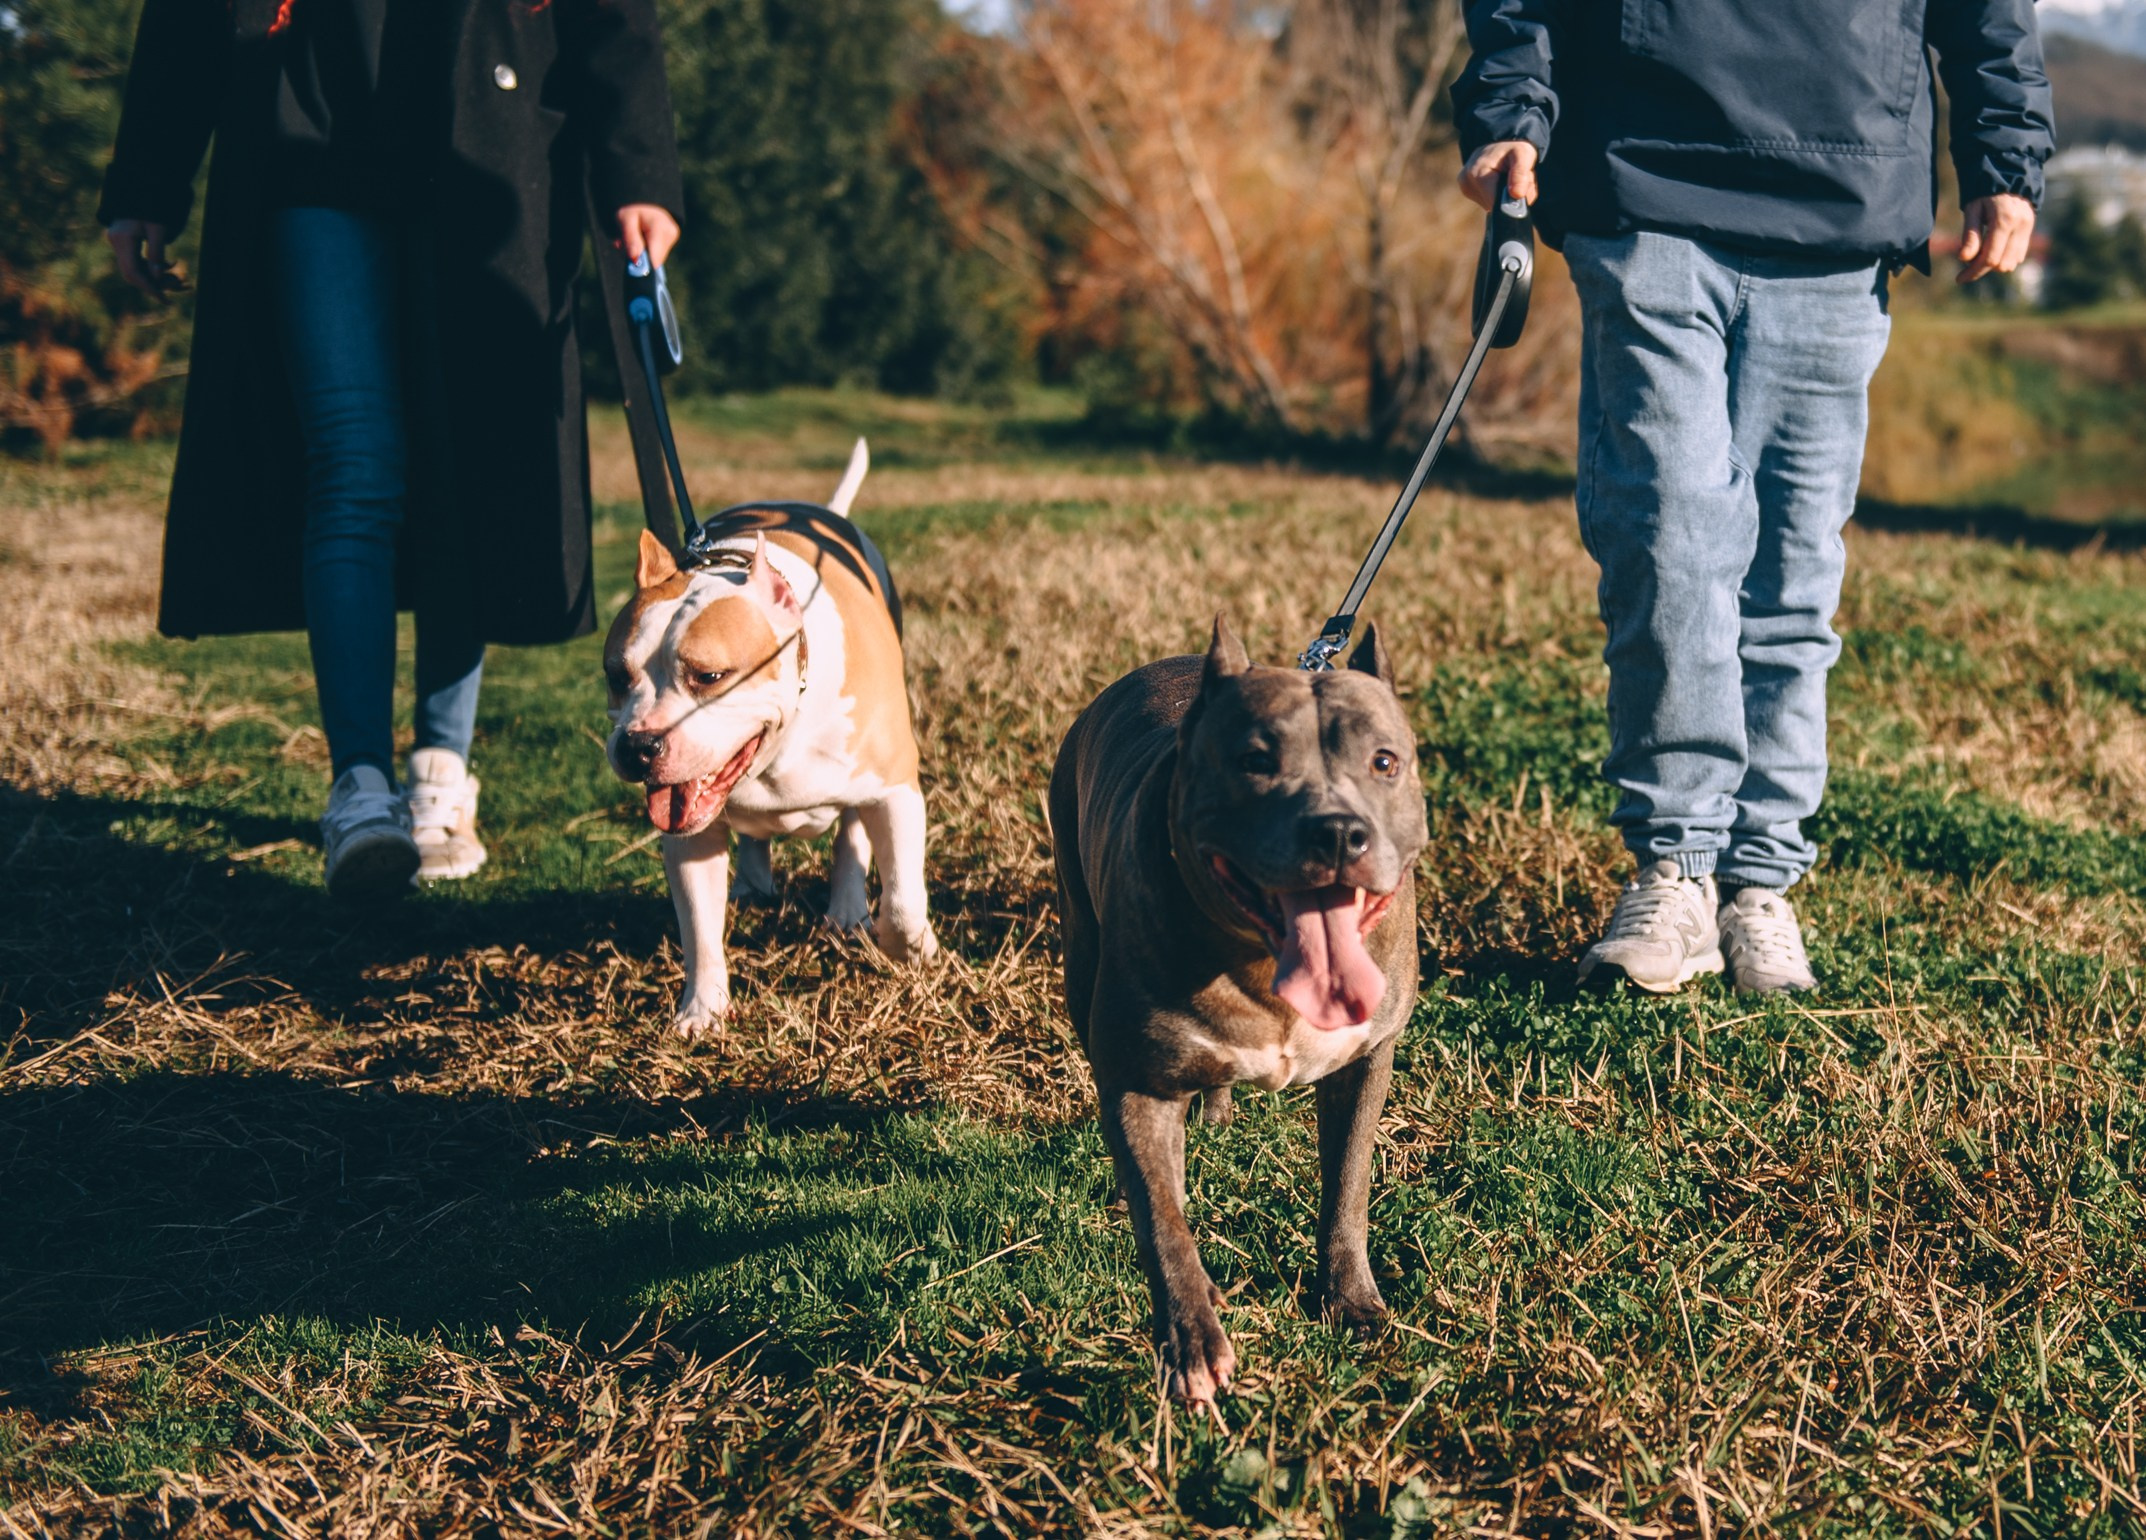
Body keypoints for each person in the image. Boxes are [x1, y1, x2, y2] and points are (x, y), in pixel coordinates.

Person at [1453, 1, 2053, 994]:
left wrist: (2005, 163)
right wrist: (1511, 106)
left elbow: (1986, 11)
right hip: (1642, 172)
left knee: (1791, 566)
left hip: (1842, 194)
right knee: (1670, 536)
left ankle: (1756, 887)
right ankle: (1676, 870)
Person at [100, 0, 685, 900]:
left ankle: (439, 776)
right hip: (306, 128)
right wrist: (146, 178)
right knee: (354, 461)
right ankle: (361, 789)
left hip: (484, 142)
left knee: (460, 465)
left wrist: (636, 162)